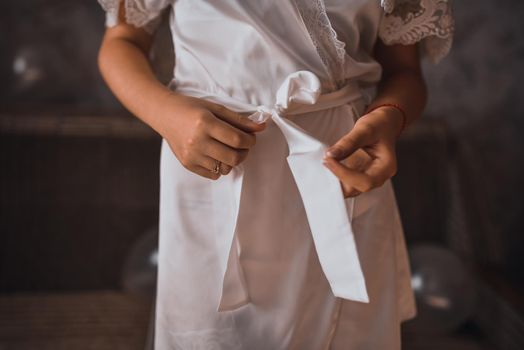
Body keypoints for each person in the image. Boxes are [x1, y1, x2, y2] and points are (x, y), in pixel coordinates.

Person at [97, 0, 454, 349]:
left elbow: (404, 73)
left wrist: (390, 116)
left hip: (341, 167)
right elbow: (122, 42)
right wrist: (167, 114)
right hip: (212, 166)